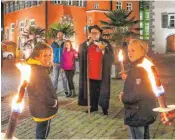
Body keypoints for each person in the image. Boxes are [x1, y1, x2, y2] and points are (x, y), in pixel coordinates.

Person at [119, 39, 157, 139]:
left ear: (142, 51)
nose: (130, 53)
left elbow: (138, 93)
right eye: (128, 50)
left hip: (137, 112)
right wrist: (129, 78)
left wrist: (123, 97)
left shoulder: (139, 68)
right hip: (145, 110)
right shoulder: (145, 63)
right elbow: (144, 85)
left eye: (133, 50)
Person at [78, 25, 113, 115]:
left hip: (101, 73)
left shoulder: (105, 43)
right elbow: (81, 52)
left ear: (100, 34)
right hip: (90, 72)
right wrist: (88, 43)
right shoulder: (87, 44)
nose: (93, 35)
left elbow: (111, 56)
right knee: (92, 91)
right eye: (91, 33)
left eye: (95, 33)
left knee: (103, 91)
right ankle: (93, 107)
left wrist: (103, 50)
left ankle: (104, 108)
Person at [26, 43, 59, 139]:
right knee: (42, 133)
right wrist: (53, 102)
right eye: (46, 55)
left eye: (50, 55)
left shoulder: (36, 66)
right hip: (44, 107)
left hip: (39, 106)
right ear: (38, 56)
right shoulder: (37, 70)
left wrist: (48, 65)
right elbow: (41, 91)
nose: (49, 57)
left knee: (41, 130)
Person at [51, 31, 68, 95]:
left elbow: (68, 52)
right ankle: (54, 91)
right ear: (57, 35)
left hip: (63, 64)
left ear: (63, 35)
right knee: (55, 78)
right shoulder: (53, 44)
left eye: (61, 35)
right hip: (55, 64)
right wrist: (52, 61)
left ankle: (66, 90)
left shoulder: (65, 43)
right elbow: (51, 53)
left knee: (64, 78)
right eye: (58, 34)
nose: (60, 36)